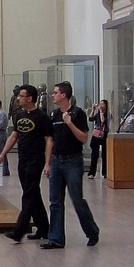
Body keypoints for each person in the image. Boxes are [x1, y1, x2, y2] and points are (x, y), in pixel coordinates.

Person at [42, 81, 100, 249]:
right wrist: (47, 163)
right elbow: (50, 141)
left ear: (64, 95)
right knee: (55, 201)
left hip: (72, 161)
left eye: (55, 93)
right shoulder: (53, 115)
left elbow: (83, 138)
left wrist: (69, 123)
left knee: (76, 199)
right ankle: (56, 238)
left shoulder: (77, 114)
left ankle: (91, 231)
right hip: (56, 161)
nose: (53, 95)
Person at [0, 84, 52, 243]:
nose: (18, 98)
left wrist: (47, 163)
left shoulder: (42, 117)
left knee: (28, 194)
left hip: (36, 159)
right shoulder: (20, 115)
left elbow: (49, 141)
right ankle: (44, 228)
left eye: (21, 96)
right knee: (33, 193)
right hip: (23, 159)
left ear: (30, 98)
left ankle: (19, 231)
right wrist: (2, 154)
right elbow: (14, 136)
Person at [87, 99, 111, 179]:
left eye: (102, 104)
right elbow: (90, 119)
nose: (100, 105)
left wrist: (101, 112)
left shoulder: (108, 114)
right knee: (94, 154)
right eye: (100, 104)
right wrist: (93, 109)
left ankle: (105, 172)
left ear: (106, 106)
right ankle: (92, 173)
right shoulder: (97, 114)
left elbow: (103, 121)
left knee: (104, 154)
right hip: (97, 135)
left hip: (104, 134)